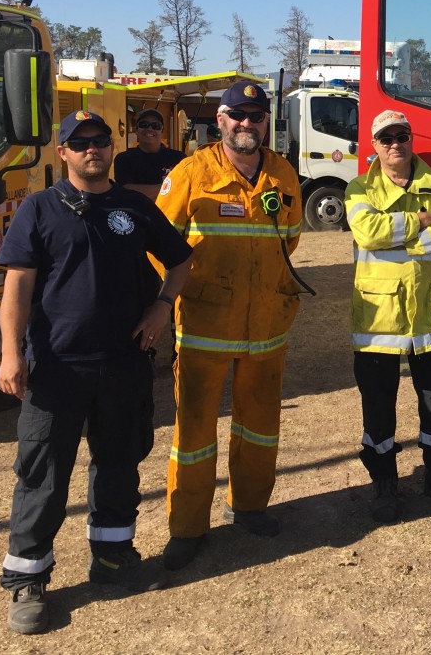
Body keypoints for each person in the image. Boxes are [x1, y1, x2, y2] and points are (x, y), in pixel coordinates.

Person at [0, 109, 193, 635]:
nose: (92, 150)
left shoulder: (133, 206)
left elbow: (180, 258)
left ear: (111, 147)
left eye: (100, 141)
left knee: (119, 461)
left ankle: (112, 556)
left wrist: (161, 306)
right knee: (43, 472)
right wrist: (11, 355)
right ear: (62, 152)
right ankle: (28, 579)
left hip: (124, 363)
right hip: (56, 368)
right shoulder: (38, 209)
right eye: (80, 143)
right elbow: (17, 287)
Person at [156, 81, 303, 570]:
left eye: (256, 116)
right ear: (220, 120)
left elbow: (293, 238)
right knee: (194, 432)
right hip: (204, 327)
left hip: (267, 326)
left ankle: (250, 507)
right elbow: (159, 247)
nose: (247, 124)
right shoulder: (190, 174)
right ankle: (188, 527)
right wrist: (188, 292)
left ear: (267, 121)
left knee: (260, 425)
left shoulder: (283, 174)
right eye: (237, 115)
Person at [345, 110, 431, 521]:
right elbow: (367, 233)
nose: (395, 143)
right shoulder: (358, 188)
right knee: (378, 407)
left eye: (401, 135)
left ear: (411, 138)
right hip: (378, 320)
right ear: (375, 145)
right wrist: (420, 221)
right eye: (386, 138)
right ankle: (384, 482)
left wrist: (402, 239)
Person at [114, 107, 185, 200]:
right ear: (136, 130)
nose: (149, 129)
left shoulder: (179, 158)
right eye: (144, 124)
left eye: (156, 125)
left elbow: (185, 189)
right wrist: (169, 187)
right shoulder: (124, 159)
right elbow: (126, 191)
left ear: (162, 132)